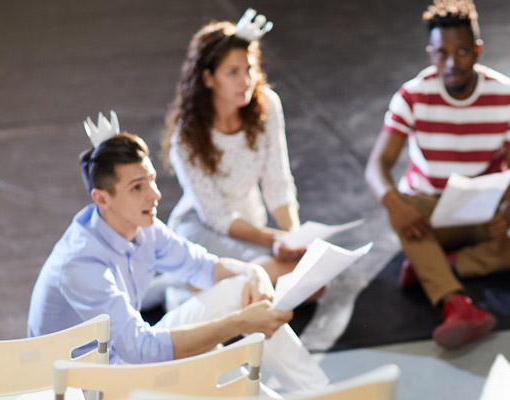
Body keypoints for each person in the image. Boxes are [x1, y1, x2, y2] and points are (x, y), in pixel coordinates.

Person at [28, 121, 328, 394]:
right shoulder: (80, 263)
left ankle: (319, 392)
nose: (155, 194)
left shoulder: (144, 229)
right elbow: (140, 349)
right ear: (101, 199)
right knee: (212, 359)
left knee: (239, 291)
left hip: (124, 358)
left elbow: (205, 266)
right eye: (137, 187)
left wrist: (254, 273)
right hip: (87, 386)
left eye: (151, 180)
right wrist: (238, 323)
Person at [366, 0, 510, 350]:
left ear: (477, 50)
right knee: (398, 205)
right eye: (442, 53)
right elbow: (377, 166)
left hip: (484, 208)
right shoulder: (412, 95)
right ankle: (455, 303)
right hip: (428, 212)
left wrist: (508, 214)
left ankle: (440, 265)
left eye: (462, 52)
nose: (452, 63)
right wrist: (394, 204)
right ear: (431, 53)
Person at [162, 10, 303, 284]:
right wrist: (276, 239)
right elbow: (216, 215)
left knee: (311, 280)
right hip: (203, 229)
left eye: (249, 69)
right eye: (233, 72)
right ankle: (178, 284)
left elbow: (278, 180)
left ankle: (200, 286)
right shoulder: (187, 138)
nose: (246, 81)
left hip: (251, 223)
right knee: (273, 277)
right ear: (208, 79)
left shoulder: (267, 106)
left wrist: (295, 238)